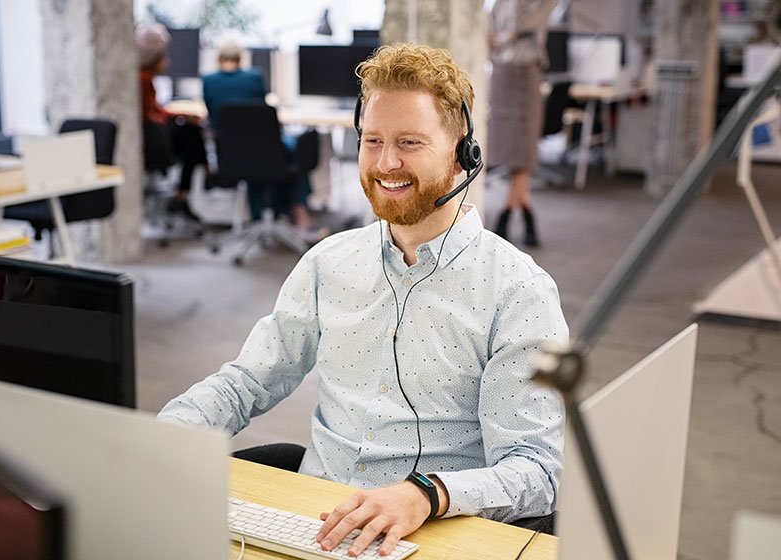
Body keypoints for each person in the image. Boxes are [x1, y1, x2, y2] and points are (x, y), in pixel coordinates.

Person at [159, 43, 567, 557]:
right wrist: (162, 437)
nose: (386, 162)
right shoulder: (328, 262)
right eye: (372, 140)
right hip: (314, 521)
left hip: (431, 535)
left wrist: (429, 494)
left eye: (410, 142)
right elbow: (247, 382)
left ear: (462, 150)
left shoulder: (516, 291)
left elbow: (536, 469)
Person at [202, 41, 316, 234]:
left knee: (255, 159)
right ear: (240, 59)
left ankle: (259, 216)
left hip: (230, 157)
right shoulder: (254, 77)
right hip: (264, 152)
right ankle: (298, 210)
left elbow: (213, 119)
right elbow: (258, 114)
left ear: (218, 59)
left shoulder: (208, 81)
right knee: (293, 148)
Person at [487, 0, 559, 247]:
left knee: (524, 148)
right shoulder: (499, 3)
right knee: (509, 148)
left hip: (526, 72)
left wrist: (505, 37)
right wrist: (506, 37)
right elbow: (489, 35)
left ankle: (506, 213)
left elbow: (527, 26)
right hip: (501, 74)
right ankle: (526, 210)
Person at [136, 23, 208, 217]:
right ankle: (202, 177)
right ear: (154, 58)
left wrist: (180, 114)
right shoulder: (143, 80)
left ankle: (196, 180)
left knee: (191, 131)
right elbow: (151, 115)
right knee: (192, 135)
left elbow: (155, 110)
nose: (167, 62)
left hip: (156, 136)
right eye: (163, 57)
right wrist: (181, 115)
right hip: (156, 143)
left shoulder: (145, 78)